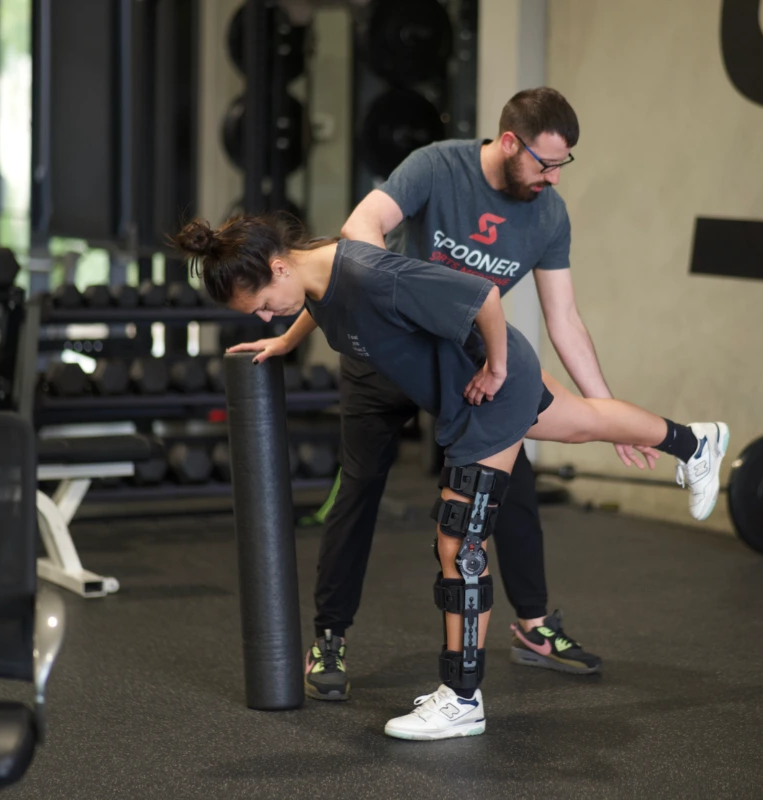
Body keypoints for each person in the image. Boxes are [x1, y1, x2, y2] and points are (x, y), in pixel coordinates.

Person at [173, 212, 729, 741]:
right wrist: (285, 340)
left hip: (486, 392)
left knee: (459, 541)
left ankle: (462, 700)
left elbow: (482, 295)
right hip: (473, 389)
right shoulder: (317, 281)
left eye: (266, 306)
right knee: (584, 422)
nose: (266, 316)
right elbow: (320, 309)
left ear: (279, 267)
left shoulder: (369, 273)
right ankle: (696, 441)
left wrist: (498, 367)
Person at [234, 88, 688, 703]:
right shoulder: (435, 166)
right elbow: (355, 239)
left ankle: (533, 627)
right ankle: (330, 636)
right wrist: (297, 332)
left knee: (513, 481)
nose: (554, 177)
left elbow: (565, 321)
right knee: (359, 487)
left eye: (563, 164)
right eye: (545, 163)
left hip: (461, 368)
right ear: (509, 143)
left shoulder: (549, 216)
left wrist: (610, 419)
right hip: (380, 358)